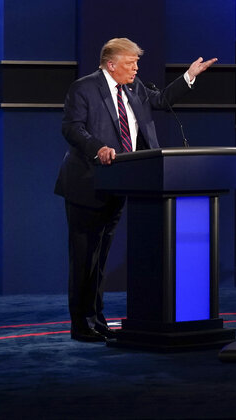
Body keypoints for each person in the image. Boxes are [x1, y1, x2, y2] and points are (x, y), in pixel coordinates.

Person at [54, 38, 217, 343]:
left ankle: (97, 318)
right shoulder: (84, 88)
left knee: (100, 258)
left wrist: (190, 76)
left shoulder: (135, 87)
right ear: (111, 64)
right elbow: (72, 127)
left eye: (136, 63)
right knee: (84, 258)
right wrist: (97, 148)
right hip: (87, 184)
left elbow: (162, 101)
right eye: (131, 63)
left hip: (121, 182)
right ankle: (80, 323)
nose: (136, 68)